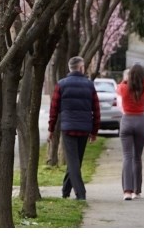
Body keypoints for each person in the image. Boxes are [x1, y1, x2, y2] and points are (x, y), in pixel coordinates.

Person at [48, 56, 100, 201]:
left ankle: (70, 191)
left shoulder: (61, 84)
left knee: (73, 162)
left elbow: (54, 109)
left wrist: (51, 129)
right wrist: (94, 131)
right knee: (75, 161)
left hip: (68, 128)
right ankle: (78, 193)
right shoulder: (89, 85)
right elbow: (96, 110)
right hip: (84, 128)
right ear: (81, 67)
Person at [118, 63, 144, 200]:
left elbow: (118, 88)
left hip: (126, 120)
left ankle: (127, 191)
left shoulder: (125, 88)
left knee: (127, 156)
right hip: (140, 121)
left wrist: (126, 79)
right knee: (137, 157)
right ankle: (137, 191)